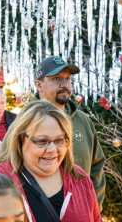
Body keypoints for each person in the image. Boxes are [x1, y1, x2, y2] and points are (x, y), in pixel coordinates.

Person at [34, 56, 106, 208]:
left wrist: (93, 209)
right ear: (39, 85)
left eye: (67, 79)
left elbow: (97, 166)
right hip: (39, 220)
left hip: (81, 219)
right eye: (57, 79)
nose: (64, 84)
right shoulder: (25, 122)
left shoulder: (83, 121)